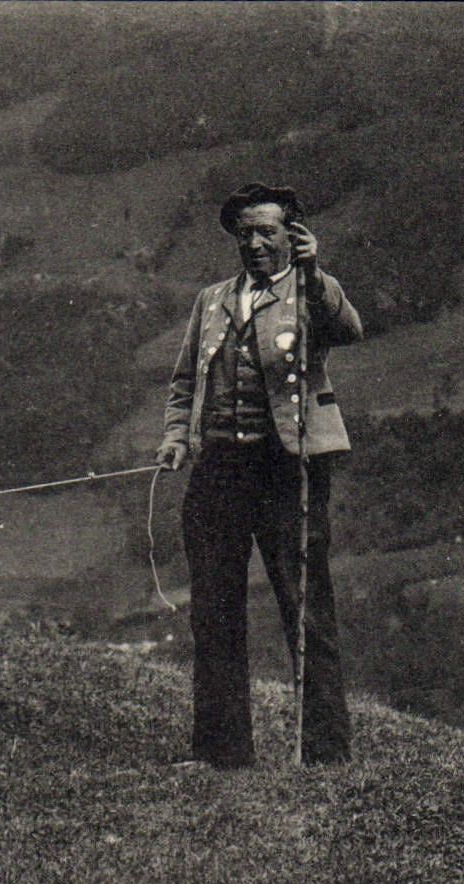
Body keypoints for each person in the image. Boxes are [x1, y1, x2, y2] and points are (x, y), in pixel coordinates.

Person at [156, 183, 361, 768]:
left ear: (291, 236)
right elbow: (183, 383)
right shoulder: (213, 299)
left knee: (306, 609)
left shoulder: (312, 292)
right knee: (214, 610)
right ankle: (223, 752)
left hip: (287, 470)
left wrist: (314, 269)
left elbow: (348, 330)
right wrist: (176, 438)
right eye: (245, 232)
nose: (254, 243)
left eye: (267, 231)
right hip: (218, 471)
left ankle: (325, 753)